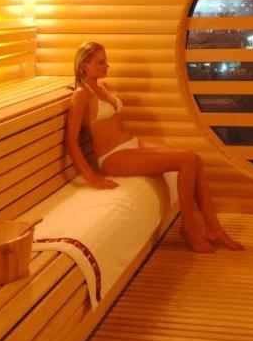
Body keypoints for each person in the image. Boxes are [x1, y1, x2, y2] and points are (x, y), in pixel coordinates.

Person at [64, 41, 243, 253]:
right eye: (101, 62)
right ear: (85, 65)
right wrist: (92, 178)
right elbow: (71, 140)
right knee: (186, 159)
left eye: (106, 61)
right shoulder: (81, 95)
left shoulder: (104, 86)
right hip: (113, 156)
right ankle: (189, 229)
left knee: (194, 158)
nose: (107, 66)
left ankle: (214, 228)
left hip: (130, 144)